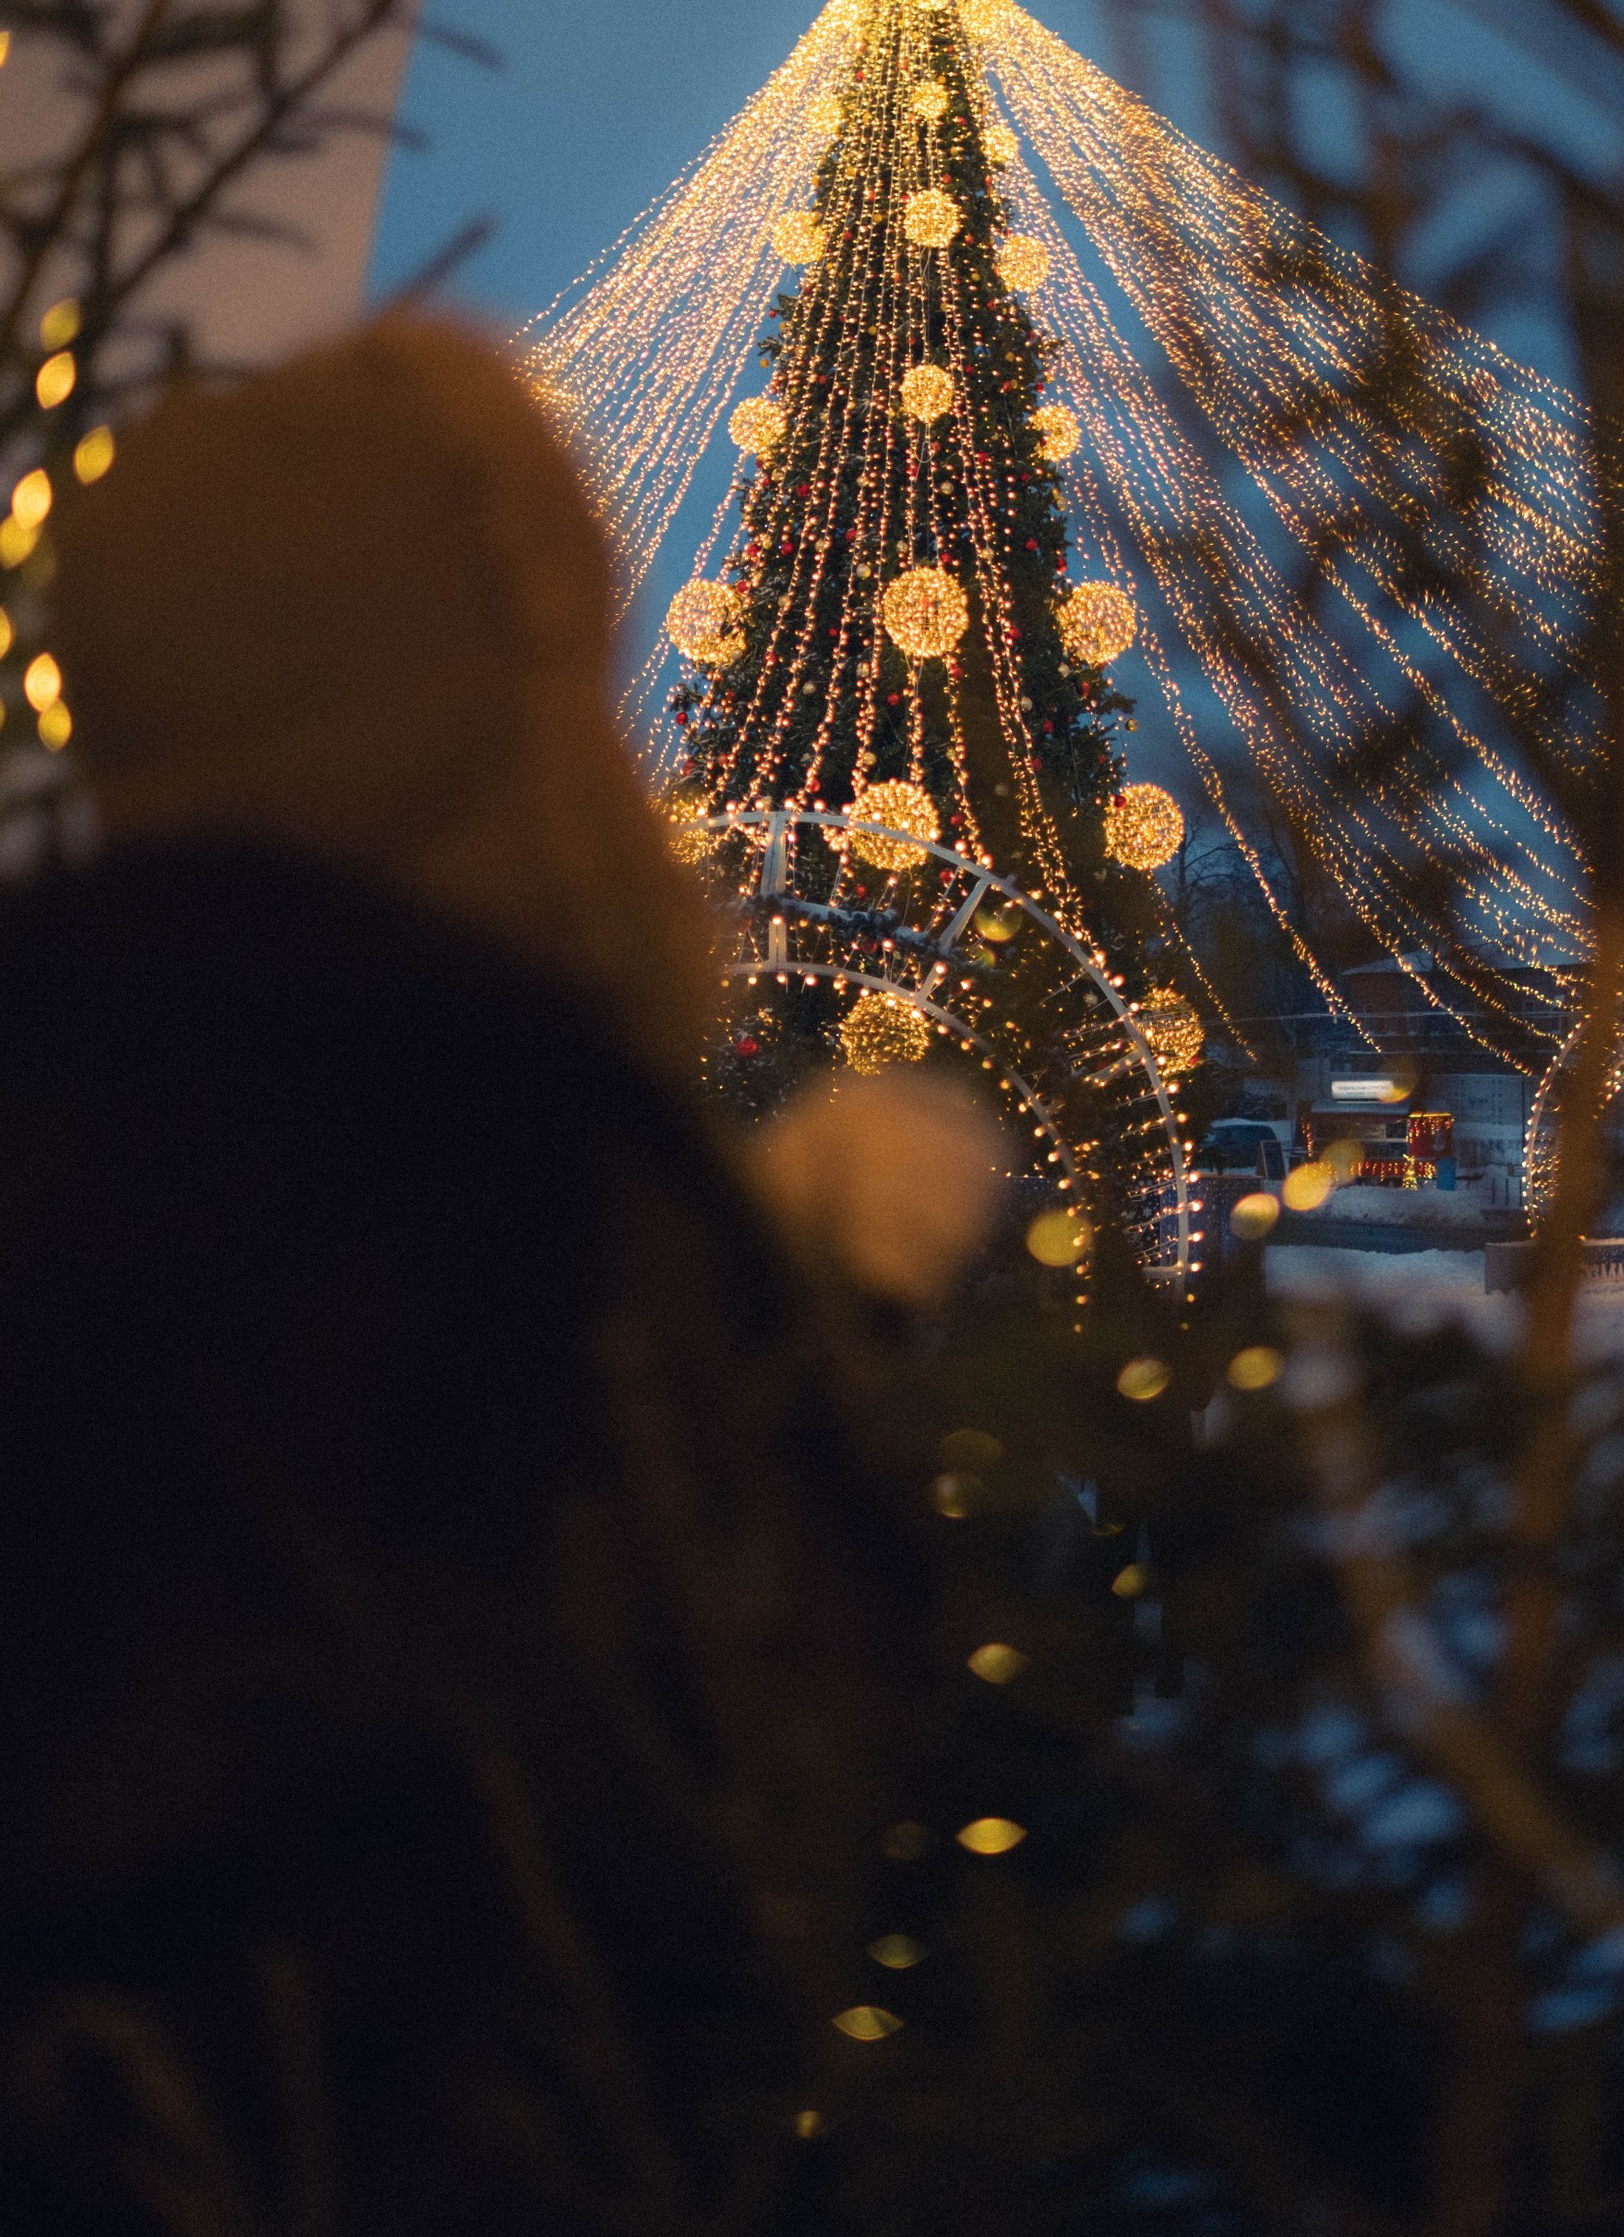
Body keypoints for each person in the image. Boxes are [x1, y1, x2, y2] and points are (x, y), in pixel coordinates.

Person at [0, 321, 1003, 2231]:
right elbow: (746, 1773)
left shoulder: (55, 1077)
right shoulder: (516, 1158)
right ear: (486, 726)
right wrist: (827, 1329)